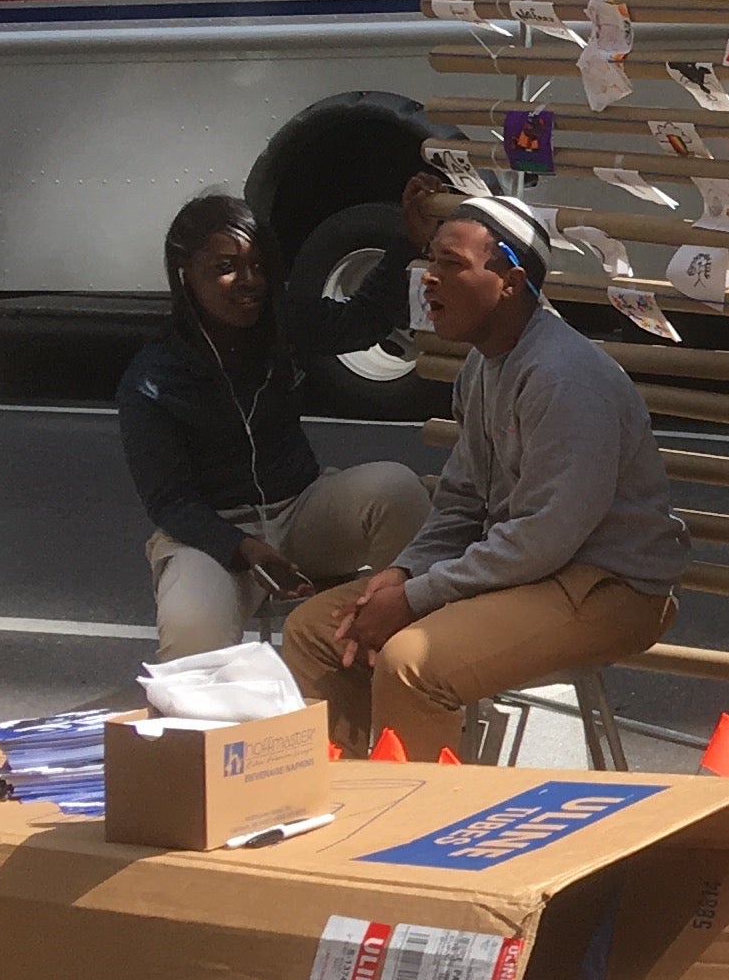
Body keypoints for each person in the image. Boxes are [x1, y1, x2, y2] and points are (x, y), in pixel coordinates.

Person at [278, 191, 684, 756]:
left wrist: (419, 597)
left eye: (451, 264)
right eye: (430, 262)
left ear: (510, 283)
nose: (428, 279)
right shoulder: (481, 365)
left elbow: (546, 537)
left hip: (606, 586)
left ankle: (418, 832)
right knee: (316, 631)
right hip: (533, 572)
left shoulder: (562, 378)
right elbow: (463, 502)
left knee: (410, 664)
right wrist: (402, 572)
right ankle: (346, 804)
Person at [118, 191, 432, 660]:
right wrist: (244, 548)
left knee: (397, 487)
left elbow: (362, 321)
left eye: (259, 266)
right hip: (210, 537)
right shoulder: (151, 380)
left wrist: (408, 240)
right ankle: (207, 725)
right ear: (186, 274)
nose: (249, 281)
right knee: (191, 636)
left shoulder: (282, 321)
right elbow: (170, 501)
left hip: (301, 507)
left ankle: (407, 658)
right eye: (226, 267)